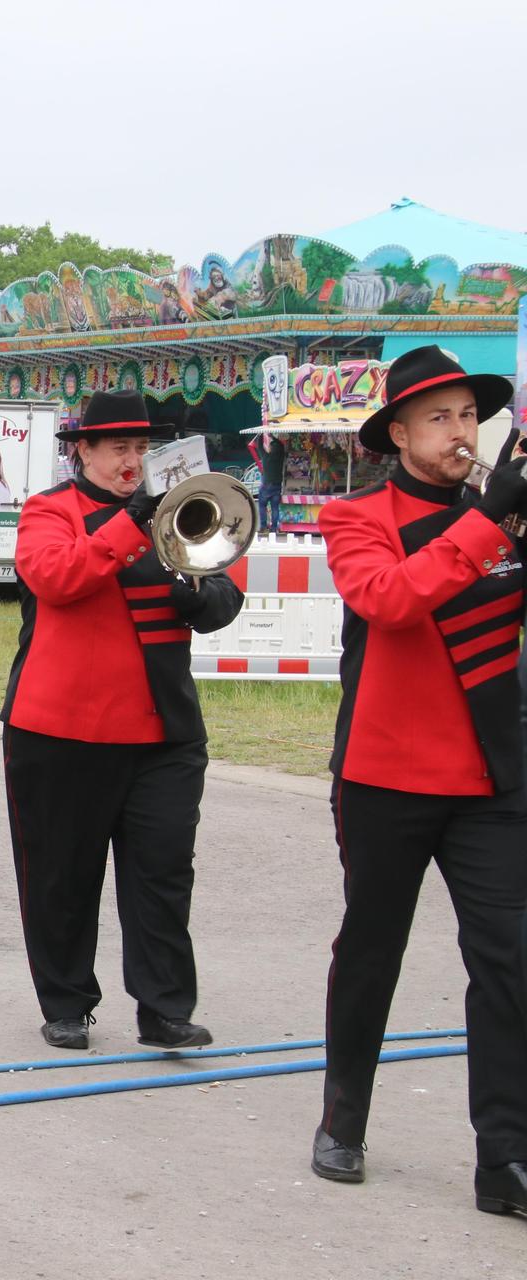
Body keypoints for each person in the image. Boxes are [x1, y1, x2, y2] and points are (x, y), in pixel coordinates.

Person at [309, 344, 527, 1217]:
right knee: (372, 952)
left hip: (491, 777)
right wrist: (486, 525)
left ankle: (504, 1160)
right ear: (397, 433)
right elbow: (391, 601)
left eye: (470, 415)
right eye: (439, 417)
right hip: (387, 775)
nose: (460, 431)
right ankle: (343, 1120)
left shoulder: (503, 514)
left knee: (511, 964)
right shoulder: (353, 515)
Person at [0, 388, 243, 1053]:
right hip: (59, 729)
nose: (133, 461)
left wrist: (193, 587)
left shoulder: (179, 511)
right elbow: (57, 577)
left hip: (164, 731)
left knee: (163, 874)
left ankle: (164, 1008)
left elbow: (223, 596)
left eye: (142, 449)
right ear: (83, 451)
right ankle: (67, 1001)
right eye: (119, 449)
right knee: (62, 876)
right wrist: (132, 524)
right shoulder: (49, 511)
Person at [252, 430, 287, 533]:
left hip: (266, 485)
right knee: (275, 507)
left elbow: (259, 446)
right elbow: (280, 445)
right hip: (277, 485)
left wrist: (261, 434)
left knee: (262, 505)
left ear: (271, 449)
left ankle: (263, 526)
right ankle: (274, 528)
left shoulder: (266, 457)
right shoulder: (281, 457)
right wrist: (273, 437)